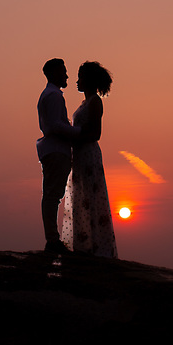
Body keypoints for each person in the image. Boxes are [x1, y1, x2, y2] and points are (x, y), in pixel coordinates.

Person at [61, 61, 117, 257]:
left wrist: (73, 137)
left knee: (90, 197)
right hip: (80, 154)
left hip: (88, 153)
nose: (77, 81)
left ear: (89, 80)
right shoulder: (85, 102)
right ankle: (84, 245)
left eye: (80, 77)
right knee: (81, 196)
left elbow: (95, 133)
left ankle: (96, 247)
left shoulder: (95, 102)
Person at [36, 58, 80, 254]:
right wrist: (77, 132)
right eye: (63, 72)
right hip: (56, 150)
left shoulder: (50, 94)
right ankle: (52, 240)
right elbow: (55, 124)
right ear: (54, 73)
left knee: (53, 195)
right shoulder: (53, 96)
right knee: (53, 195)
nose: (67, 76)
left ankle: (52, 238)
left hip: (54, 150)